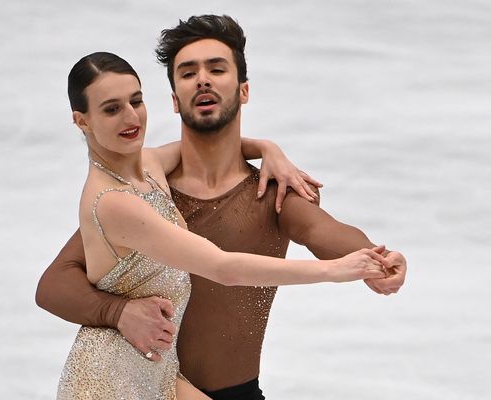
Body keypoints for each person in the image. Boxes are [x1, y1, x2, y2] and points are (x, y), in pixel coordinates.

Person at [37, 15, 407, 400]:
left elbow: (323, 230)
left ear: (244, 90)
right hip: (136, 385)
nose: (203, 79)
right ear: (174, 100)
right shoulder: (141, 190)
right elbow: (54, 284)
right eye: (188, 72)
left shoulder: (267, 191)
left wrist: (376, 260)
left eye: (216, 68)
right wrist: (116, 313)